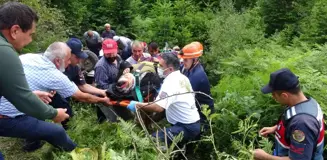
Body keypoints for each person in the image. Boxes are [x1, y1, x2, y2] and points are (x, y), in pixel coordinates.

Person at [0, 2, 69, 156]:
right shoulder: (4, 51)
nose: (31, 40)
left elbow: (10, 90)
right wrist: (54, 114)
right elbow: (22, 99)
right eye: (30, 34)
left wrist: (31, 95)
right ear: (15, 30)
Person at [128, 52, 201, 145]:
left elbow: (158, 107)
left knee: (151, 141)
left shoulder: (171, 82)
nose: (159, 68)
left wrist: (137, 105)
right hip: (192, 122)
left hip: (186, 126)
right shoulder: (182, 77)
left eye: (161, 66)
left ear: (170, 69)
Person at [253, 68, 324, 160]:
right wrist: (276, 128)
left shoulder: (302, 123)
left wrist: (265, 157)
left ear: (284, 95)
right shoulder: (308, 102)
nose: (272, 97)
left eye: (274, 94)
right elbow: (292, 121)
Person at [50, 38, 107, 129]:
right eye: (77, 57)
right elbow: (80, 96)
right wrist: (101, 100)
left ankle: (69, 133)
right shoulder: (54, 66)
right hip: (46, 96)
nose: (80, 60)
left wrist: (102, 92)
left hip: (64, 99)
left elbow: (83, 85)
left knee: (68, 116)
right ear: (67, 54)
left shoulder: (75, 68)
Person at [94, 39, 133, 122]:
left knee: (126, 117)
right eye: (108, 53)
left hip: (117, 92)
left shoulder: (118, 57)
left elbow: (123, 63)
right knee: (113, 121)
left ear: (117, 50)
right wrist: (119, 86)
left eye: (113, 52)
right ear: (103, 51)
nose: (111, 55)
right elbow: (102, 87)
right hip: (105, 96)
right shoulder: (101, 66)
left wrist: (127, 67)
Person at [180, 42, 214, 128]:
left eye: (186, 60)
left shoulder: (198, 75)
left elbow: (182, 95)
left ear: (194, 59)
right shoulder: (190, 68)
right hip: (195, 111)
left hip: (202, 116)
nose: (183, 62)